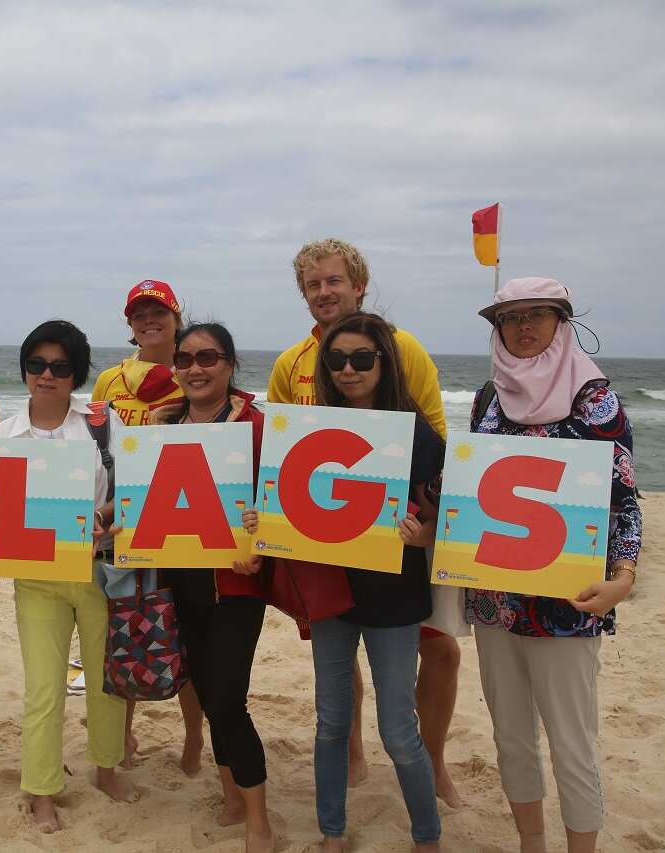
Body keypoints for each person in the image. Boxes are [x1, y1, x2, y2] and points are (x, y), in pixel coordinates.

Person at [268, 239, 460, 803]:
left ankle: (437, 762)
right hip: (324, 537)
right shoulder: (289, 364)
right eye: (312, 285)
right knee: (336, 651)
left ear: (358, 284)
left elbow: (434, 446)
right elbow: (277, 452)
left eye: (333, 281)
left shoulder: (403, 350)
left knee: (442, 648)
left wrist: (424, 524)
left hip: (396, 537)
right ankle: (351, 753)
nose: (324, 293)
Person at [468, 278, 641, 853]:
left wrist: (624, 579)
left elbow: (623, 501)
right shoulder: (488, 398)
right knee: (512, 736)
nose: (522, 327)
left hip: (569, 602)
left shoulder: (595, 400)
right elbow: (476, 491)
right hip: (496, 600)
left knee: (573, 743)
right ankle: (531, 845)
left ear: (560, 321)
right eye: (509, 318)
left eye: (536, 315)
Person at [286, 312, 444, 851]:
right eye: (336, 359)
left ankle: (427, 837)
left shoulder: (416, 431)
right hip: (332, 592)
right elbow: (287, 500)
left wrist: (425, 537)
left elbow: (445, 515)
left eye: (361, 359)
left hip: (395, 598)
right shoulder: (309, 426)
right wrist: (267, 521)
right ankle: (332, 831)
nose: (348, 370)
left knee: (399, 733)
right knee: (331, 722)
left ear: (384, 362)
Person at [0, 320, 133, 831]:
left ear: (76, 374)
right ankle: (42, 791)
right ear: (24, 370)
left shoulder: (102, 426)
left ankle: (105, 768)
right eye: (37, 364)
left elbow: (131, 494)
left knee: (107, 681)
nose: (47, 375)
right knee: (44, 687)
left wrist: (105, 525)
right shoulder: (3, 435)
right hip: (35, 582)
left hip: (98, 573)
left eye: (60, 367)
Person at [150, 322, 274, 853]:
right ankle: (229, 799)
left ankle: (259, 823)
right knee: (203, 691)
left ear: (229, 364)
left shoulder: (258, 426)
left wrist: (261, 539)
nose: (195, 369)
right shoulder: (164, 423)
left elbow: (287, 502)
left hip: (235, 586)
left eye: (208, 358)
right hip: (180, 581)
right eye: (185, 359)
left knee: (228, 701)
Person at [90, 279, 207, 775]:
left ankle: (194, 738)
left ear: (177, 316)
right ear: (129, 324)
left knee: (191, 633)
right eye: (138, 314)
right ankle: (126, 732)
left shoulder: (196, 368)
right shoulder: (110, 381)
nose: (148, 321)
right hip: (124, 522)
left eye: (157, 311)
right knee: (126, 628)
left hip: (185, 515)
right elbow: (97, 449)